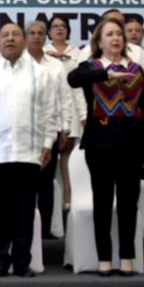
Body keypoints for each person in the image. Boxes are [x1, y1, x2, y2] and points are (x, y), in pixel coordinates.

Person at [68, 17, 144, 276]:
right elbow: (73, 79)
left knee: (129, 204)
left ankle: (127, 256)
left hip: (131, 144)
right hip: (100, 146)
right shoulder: (91, 67)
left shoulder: (136, 69)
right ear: (99, 40)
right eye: (109, 34)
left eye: (119, 34)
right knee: (103, 203)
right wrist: (106, 73)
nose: (115, 38)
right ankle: (104, 258)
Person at [0, 23, 57, 278]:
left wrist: (48, 144)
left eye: (15, 35)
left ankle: (21, 261)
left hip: (29, 153)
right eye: (4, 35)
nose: (10, 39)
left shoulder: (41, 74)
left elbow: (50, 113)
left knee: (25, 211)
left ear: (25, 40)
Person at [25, 21, 74, 239]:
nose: (36, 37)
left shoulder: (56, 66)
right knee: (25, 184)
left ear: (46, 37)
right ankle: (25, 229)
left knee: (45, 183)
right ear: (25, 37)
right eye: (32, 33)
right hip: (24, 132)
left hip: (49, 132)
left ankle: (44, 231)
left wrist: (65, 128)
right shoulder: (17, 62)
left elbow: (65, 99)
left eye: (40, 33)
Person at [45, 16, 85, 207]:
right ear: (49, 31)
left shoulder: (77, 53)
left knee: (68, 153)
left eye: (63, 26)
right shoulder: (42, 52)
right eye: (55, 27)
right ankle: (49, 204)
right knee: (48, 154)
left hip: (72, 108)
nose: (59, 29)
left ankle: (68, 198)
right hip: (49, 109)